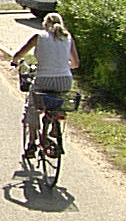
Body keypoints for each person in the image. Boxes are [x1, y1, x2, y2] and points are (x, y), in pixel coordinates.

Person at [11, 12, 79, 160]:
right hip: (65, 80)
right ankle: (55, 122)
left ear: (45, 24)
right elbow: (75, 64)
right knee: (58, 99)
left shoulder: (39, 37)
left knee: (32, 107)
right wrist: (61, 65)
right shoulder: (68, 37)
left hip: (44, 80)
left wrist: (15, 61)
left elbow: (20, 54)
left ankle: (32, 143)